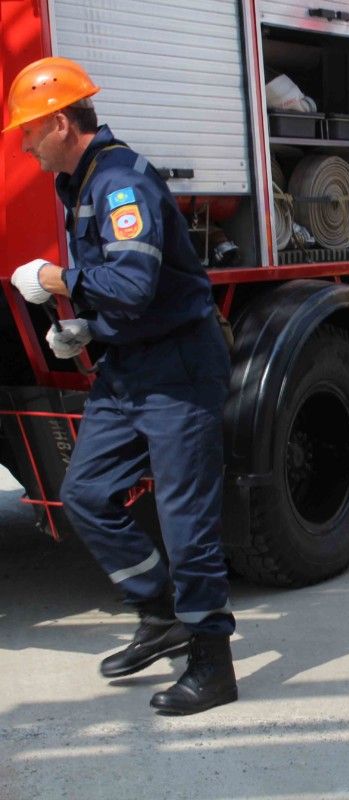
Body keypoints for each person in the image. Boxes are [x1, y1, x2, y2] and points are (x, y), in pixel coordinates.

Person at [5, 57, 237, 714]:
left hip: (178, 370)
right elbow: (127, 292)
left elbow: (133, 284)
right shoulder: (78, 182)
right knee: (85, 494)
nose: (23, 145)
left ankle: (212, 664)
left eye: (29, 131)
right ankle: (160, 614)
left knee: (186, 522)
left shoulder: (119, 183)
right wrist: (88, 328)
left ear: (60, 123)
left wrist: (54, 280)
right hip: (129, 366)